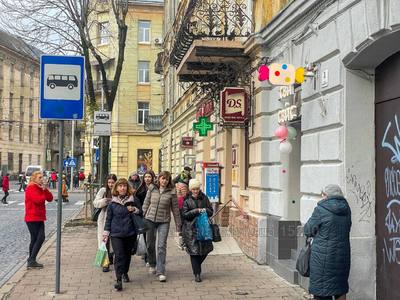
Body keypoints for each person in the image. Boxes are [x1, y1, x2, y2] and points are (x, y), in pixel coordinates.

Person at [304, 185, 352, 300]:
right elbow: (348, 228)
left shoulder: (321, 209)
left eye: (322, 194)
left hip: (322, 258)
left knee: (322, 290)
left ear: (326, 195)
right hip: (342, 256)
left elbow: (308, 229)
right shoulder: (346, 209)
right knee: (340, 288)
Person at [103, 178, 142, 291]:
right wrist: (106, 233)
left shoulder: (133, 199)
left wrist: (134, 209)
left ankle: (125, 272)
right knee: (119, 255)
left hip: (130, 233)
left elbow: (141, 212)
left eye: (124, 186)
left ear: (127, 187)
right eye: (120, 186)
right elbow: (108, 219)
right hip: (116, 234)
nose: (122, 188)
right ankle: (118, 279)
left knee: (127, 255)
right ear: (116, 188)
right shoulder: (112, 203)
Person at [142, 171, 181, 282]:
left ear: (169, 181)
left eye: (167, 179)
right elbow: (146, 202)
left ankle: (161, 271)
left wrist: (178, 225)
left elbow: (175, 209)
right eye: (162, 178)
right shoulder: (152, 188)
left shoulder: (172, 192)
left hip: (164, 221)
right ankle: (152, 264)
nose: (164, 181)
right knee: (150, 244)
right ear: (158, 179)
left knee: (161, 246)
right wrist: (141, 216)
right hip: (150, 219)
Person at [182, 179, 213, 282]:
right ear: (191, 189)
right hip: (191, 229)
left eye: (197, 189)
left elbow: (211, 211)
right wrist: (196, 211)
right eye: (194, 189)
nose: (196, 191)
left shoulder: (204, 198)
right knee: (194, 252)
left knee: (206, 250)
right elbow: (185, 215)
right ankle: (197, 273)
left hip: (203, 228)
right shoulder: (187, 200)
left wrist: (205, 210)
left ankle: (196, 266)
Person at [24, 171, 53, 268]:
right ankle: (31, 260)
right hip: (32, 217)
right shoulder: (31, 188)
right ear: (34, 179)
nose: (42, 179)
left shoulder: (40, 188)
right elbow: (38, 200)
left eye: (42, 177)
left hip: (39, 217)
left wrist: (45, 189)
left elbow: (50, 198)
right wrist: (43, 190)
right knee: (40, 238)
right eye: (40, 178)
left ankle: (31, 260)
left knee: (35, 239)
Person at [93, 174, 117, 272]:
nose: (111, 184)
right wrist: (105, 201)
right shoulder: (103, 190)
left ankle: (111, 256)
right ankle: (104, 263)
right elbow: (95, 203)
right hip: (104, 219)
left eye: (113, 182)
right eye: (109, 182)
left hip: (116, 219)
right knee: (103, 241)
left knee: (116, 241)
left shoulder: (118, 190)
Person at [135, 170, 156, 264]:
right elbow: (137, 202)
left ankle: (149, 256)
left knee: (151, 237)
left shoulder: (156, 189)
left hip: (153, 215)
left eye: (149, 177)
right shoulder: (140, 190)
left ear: (152, 178)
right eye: (146, 177)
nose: (147, 179)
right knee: (144, 235)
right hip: (143, 215)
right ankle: (146, 255)